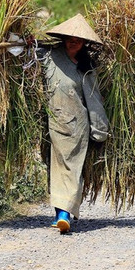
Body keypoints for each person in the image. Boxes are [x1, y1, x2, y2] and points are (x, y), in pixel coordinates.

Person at [40, 14, 109, 233]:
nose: (73, 41)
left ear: (84, 43)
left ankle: (65, 215)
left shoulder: (85, 67)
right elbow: (24, 58)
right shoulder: (49, 56)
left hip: (75, 126)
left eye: (78, 39)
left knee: (71, 168)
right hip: (52, 122)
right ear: (63, 37)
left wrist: (99, 129)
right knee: (55, 167)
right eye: (70, 37)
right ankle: (59, 212)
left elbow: (93, 99)